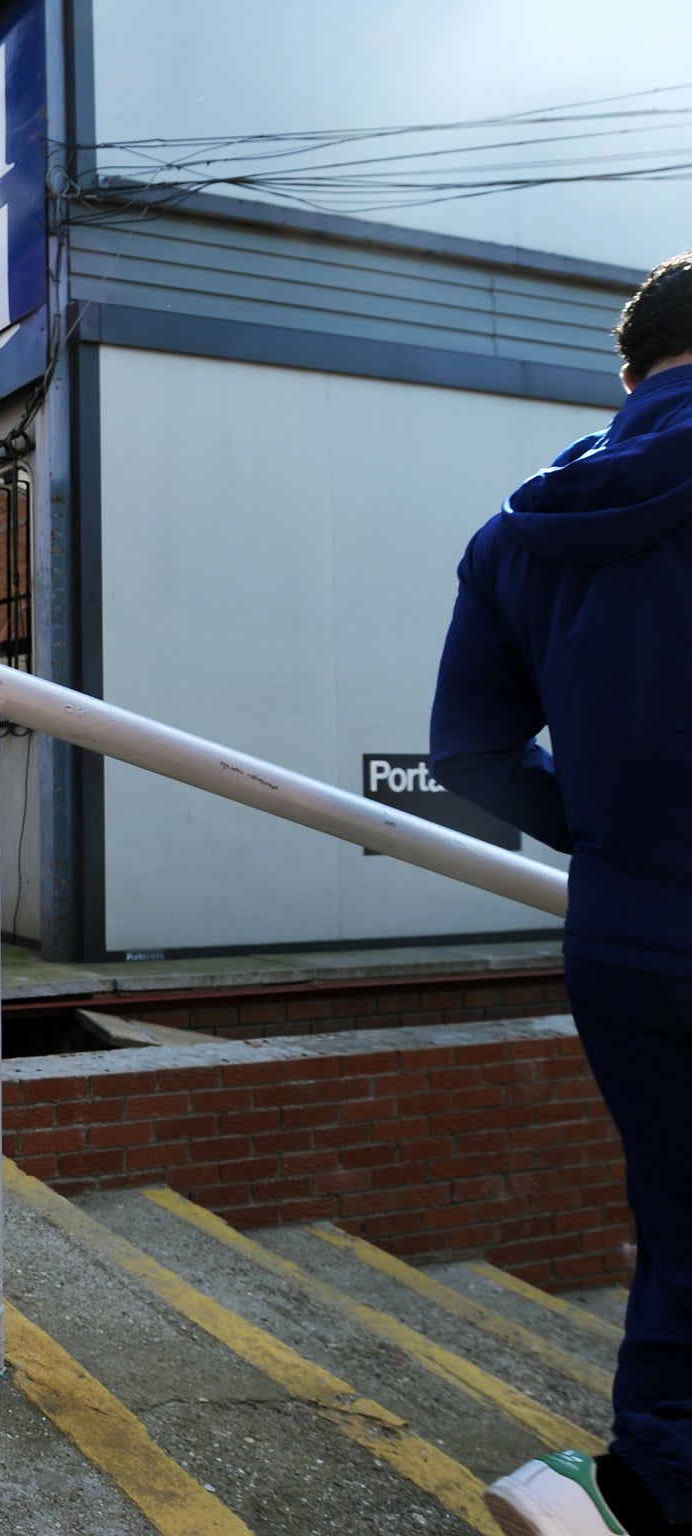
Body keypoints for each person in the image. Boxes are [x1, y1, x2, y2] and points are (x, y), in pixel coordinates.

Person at [434, 252, 692, 1536]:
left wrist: (590, 826)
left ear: (629, 372)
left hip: (624, 934)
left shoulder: (519, 531)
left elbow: (467, 757)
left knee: (677, 1221)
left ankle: (651, 1478)